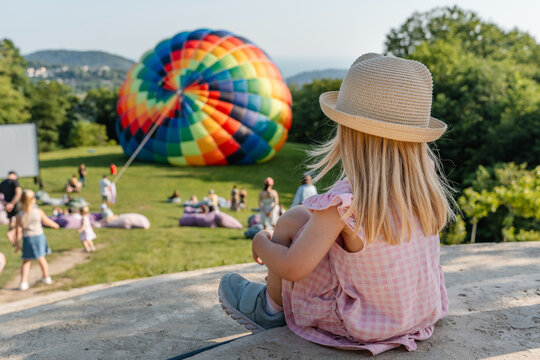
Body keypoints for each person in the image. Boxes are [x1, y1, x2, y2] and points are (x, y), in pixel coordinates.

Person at [218, 54, 455, 355]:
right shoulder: (423, 184)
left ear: (349, 132)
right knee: (301, 218)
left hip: (364, 325)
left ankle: (270, 307)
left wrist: (262, 241)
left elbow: (293, 267)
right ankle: (275, 302)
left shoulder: (348, 201)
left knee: (289, 222)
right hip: (418, 313)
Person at [14, 189, 60, 291]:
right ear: (33, 200)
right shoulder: (38, 212)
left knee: (26, 260)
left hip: (27, 239)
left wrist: (17, 244)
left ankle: (23, 282)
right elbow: (46, 221)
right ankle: (46, 277)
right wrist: (56, 225)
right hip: (39, 237)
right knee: (41, 258)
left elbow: (18, 231)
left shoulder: (19, 215)